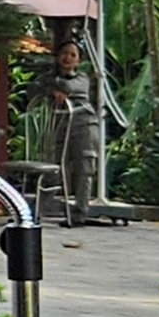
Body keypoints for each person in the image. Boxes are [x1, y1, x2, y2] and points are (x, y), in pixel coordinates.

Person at [44, 39, 100, 223]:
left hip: (84, 125)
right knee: (54, 168)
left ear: (78, 61)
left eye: (72, 55)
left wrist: (53, 86)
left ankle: (80, 212)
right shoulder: (48, 78)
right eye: (64, 53)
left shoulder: (82, 79)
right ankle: (48, 207)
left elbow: (70, 87)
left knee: (84, 169)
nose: (67, 58)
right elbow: (35, 87)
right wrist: (52, 89)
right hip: (61, 125)